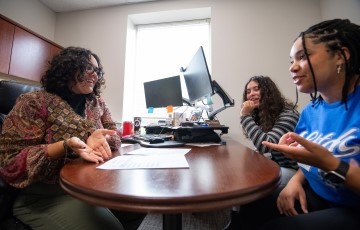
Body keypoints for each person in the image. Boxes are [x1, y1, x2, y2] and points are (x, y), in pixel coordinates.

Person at [0, 47, 144, 230]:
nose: (95, 75)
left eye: (98, 71)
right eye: (89, 68)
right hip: (45, 196)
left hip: (91, 185)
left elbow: (113, 135)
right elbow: (11, 163)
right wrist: (65, 145)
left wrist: (99, 138)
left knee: (137, 205)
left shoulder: (96, 103)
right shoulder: (34, 102)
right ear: (68, 67)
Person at [240, 19, 360, 230]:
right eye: (291, 60)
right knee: (250, 204)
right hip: (319, 192)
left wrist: (331, 164)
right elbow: (308, 162)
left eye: (303, 57)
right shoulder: (311, 111)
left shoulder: (288, 114)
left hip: (352, 207)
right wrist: (296, 182)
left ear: (341, 55)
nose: (292, 68)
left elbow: (267, 143)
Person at [223, 76, 300, 230]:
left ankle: (241, 223)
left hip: (294, 171)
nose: (251, 94)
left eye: (256, 89)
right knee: (238, 176)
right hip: (277, 165)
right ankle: (236, 222)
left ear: (268, 91)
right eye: (248, 91)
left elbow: (266, 144)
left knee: (248, 183)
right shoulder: (263, 115)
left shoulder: (288, 115)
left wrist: (245, 116)